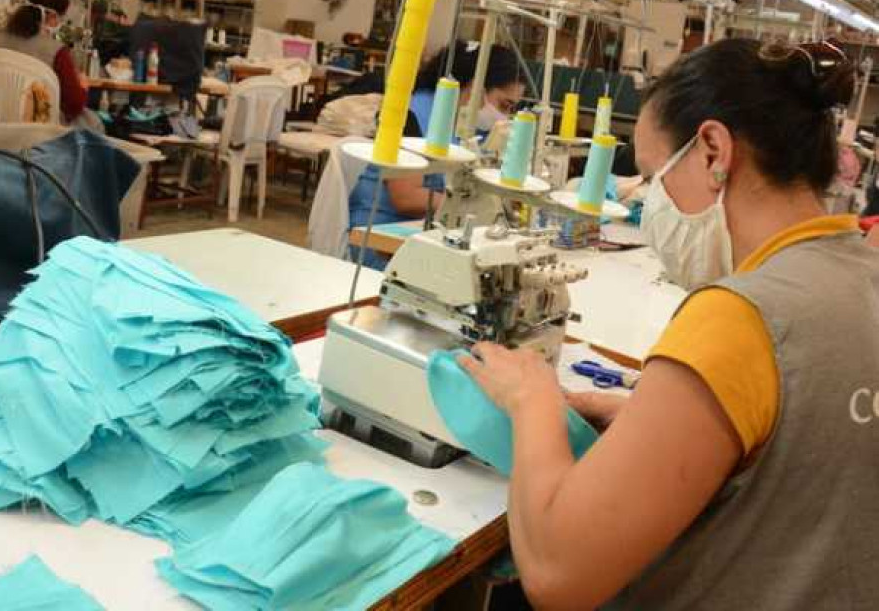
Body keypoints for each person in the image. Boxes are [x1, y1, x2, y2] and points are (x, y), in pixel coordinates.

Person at [460, 38, 879, 610]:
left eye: (653, 176)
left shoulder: (741, 318)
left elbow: (558, 574)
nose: (649, 200)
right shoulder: (863, 273)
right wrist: (674, 420)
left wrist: (531, 400)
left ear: (713, 152)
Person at [348, 42, 523, 268]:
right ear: (476, 86)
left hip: (428, 230)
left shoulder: (474, 129)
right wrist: (475, 207)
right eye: (504, 105)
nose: (505, 116)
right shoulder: (410, 115)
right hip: (380, 235)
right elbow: (406, 198)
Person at [0, 0, 88, 124]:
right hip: (42, 129)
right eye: (60, 18)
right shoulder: (57, 52)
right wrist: (84, 87)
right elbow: (74, 105)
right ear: (51, 16)